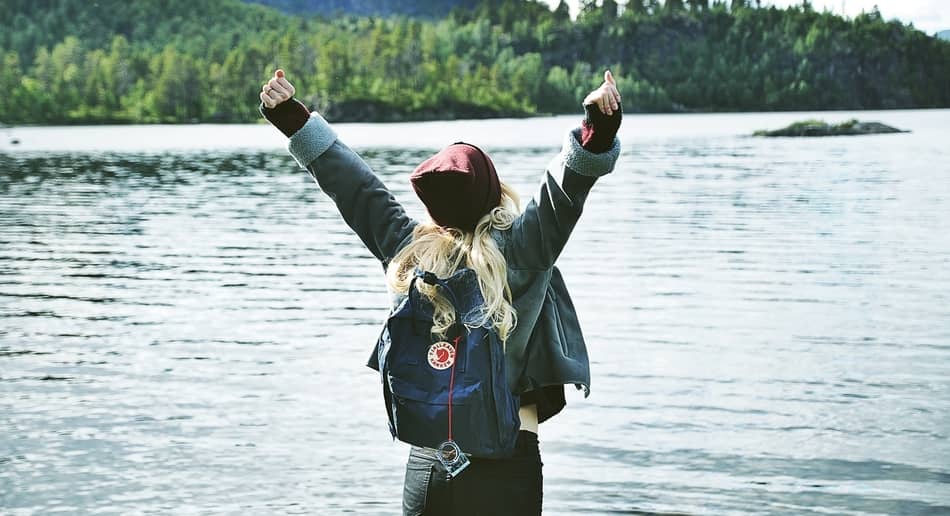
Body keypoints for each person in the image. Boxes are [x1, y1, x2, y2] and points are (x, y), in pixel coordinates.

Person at [260, 68, 622, 516]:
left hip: (429, 467)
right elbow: (566, 185)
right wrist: (597, 126)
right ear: (494, 191)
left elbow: (355, 187)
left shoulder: (409, 249)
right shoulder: (525, 246)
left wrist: (293, 119)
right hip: (505, 468)